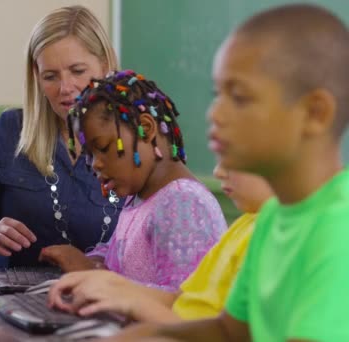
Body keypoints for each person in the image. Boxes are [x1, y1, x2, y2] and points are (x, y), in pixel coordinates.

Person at [103, 4, 349, 341]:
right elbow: (229, 331)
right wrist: (151, 334)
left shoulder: (338, 230)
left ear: (315, 113)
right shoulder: (272, 216)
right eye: (217, 95)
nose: (214, 113)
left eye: (239, 97)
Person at [0, 6, 122, 273]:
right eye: (50, 76)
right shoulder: (9, 132)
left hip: (101, 306)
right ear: (36, 77)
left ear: (106, 66)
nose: (65, 88)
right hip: (12, 305)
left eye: (77, 71)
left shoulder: (136, 145)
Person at [39, 70, 226, 291]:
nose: (95, 164)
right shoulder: (139, 198)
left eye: (103, 149)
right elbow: (116, 256)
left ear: (146, 129)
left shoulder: (183, 203)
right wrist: (91, 262)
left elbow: (183, 305)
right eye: (90, 155)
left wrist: (92, 275)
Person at [46, 163, 273, 323]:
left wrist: (134, 303)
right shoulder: (246, 225)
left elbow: (216, 333)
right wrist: (112, 286)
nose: (218, 171)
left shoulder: (184, 200)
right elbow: (183, 300)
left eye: (236, 156)